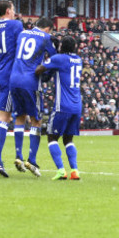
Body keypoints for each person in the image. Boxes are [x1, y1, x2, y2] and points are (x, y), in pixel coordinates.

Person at [8, 17, 57, 177]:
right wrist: (46, 75)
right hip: (30, 81)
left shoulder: (22, 33)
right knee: (36, 119)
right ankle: (32, 159)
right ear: (48, 28)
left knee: (19, 116)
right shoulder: (46, 37)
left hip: (14, 78)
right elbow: (54, 59)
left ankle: (18, 155)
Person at [35, 36, 82, 181]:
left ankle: (61, 170)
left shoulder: (59, 59)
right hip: (77, 106)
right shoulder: (78, 59)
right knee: (68, 139)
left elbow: (39, 70)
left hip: (62, 106)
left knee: (51, 137)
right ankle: (74, 170)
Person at [0, 0, 25, 177]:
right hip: (8, 75)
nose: (15, 11)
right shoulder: (16, 24)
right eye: (13, 8)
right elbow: (24, 44)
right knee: (5, 118)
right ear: (8, 10)